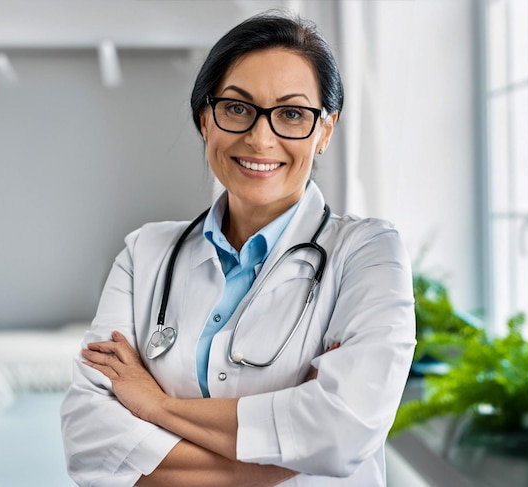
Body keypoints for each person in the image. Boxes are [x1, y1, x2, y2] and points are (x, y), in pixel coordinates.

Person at [61, 10, 416, 487]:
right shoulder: (144, 253)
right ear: (206, 119)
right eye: (237, 107)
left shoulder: (369, 253)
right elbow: (88, 442)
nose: (260, 137)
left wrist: (157, 406)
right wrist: (279, 458)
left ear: (325, 131)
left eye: (292, 114)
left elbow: (343, 432)